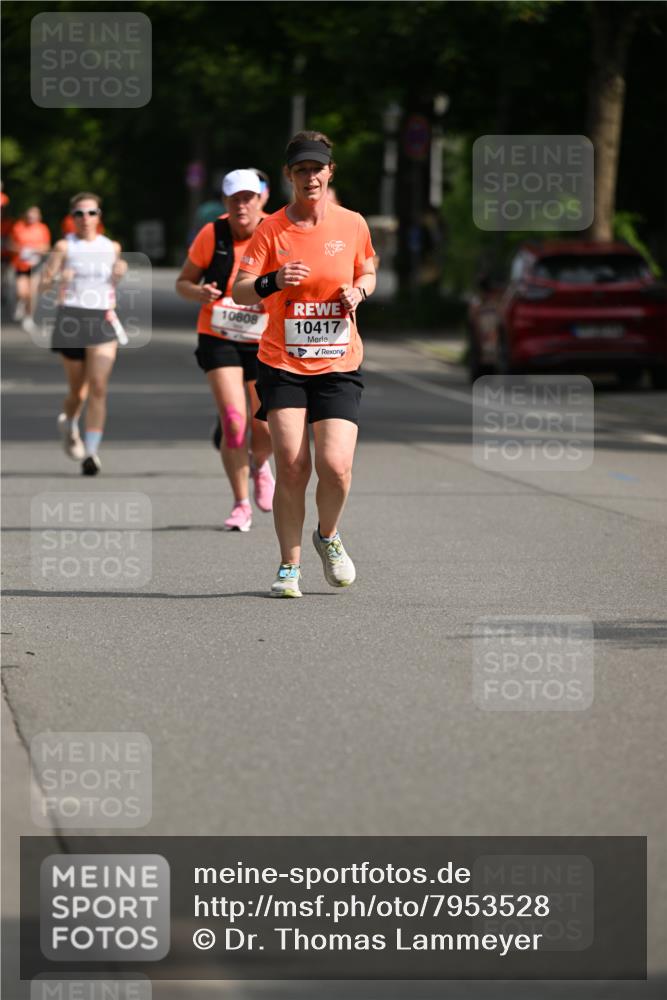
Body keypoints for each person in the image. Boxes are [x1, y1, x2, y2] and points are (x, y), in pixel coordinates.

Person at [233, 131, 376, 597]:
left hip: (339, 361)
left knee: (335, 466)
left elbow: (367, 268)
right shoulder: (271, 229)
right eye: (301, 170)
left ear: (330, 172)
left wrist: (360, 290)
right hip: (283, 361)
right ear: (289, 175)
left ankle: (328, 536)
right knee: (293, 466)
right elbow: (240, 287)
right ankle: (288, 566)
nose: (310, 176)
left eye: (317, 168)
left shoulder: (352, 223)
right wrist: (272, 280)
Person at [176, 169, 275, 531]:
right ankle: (240, 504)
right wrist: (198, 292)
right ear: (225, 202)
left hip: (264, 340)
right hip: (218, 335)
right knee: (234, 421)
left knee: (264, 426)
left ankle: (261, 465)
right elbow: (183, 282)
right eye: (235, 199)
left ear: (260, 198)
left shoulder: (276, 231)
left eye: (248, 197)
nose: (242, 205)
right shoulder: (212, 233)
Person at [40, 192, 127, 475]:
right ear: (72, 218)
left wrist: (120, 271)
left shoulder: (111, 247)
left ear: (99, 216)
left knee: (98, 386)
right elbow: (42, 286)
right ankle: (69, 423)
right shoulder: (64, 246)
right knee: (78, 391)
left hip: (101, 319)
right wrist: (56, 279)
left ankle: (91, 452)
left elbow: (115, 279)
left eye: (91, 213)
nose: (85, 219)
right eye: (79, 213)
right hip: (71, 319)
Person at [8, 205, 51, 332]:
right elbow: (10, 244)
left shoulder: (42, 228)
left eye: (34, 215)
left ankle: (29, 317)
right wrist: (21, 250)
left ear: (39, 216)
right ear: (25, 215)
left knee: (32, 292)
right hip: (20, 264)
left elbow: (47, 247)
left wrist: (36, 250)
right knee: (21, 292)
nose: (31, 217)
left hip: (35, 265)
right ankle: (21, 302)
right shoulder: (18, 226)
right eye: (29, 215)